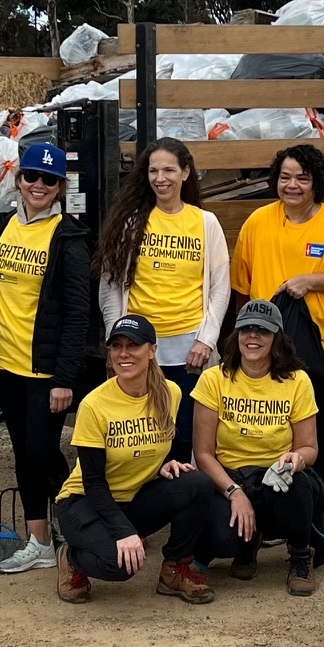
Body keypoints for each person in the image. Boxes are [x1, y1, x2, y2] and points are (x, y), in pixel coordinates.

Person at [229, 144, 324, 553]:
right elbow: (242, 288)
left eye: (302, 178)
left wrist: (312, 280)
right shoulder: (259, 223)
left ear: (316, 183)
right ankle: (291, 513)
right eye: (285, 177)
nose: (292, 185)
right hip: (283, 354)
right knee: (287, 435)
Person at [54, 315, 220, 606]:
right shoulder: (94, 405)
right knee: (120, 565)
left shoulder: (171, 393)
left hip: (133, 498)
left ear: (152, 350)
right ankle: (72, 558)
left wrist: (162, 463)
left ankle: (174, 571)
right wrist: (125, 532)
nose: (124, 353)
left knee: (197, 484)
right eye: (116, 346)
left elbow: (149, 442)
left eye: (133, 345)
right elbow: (93, 483)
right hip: (84, 502)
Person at [0, 143, 93, 576]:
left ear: (61, 187)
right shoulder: (3, 229)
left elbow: (77, 313)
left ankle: (71, 520)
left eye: (49, 180)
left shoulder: (68, 238)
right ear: (18, 180)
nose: (38, 186)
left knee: (41, 449)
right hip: (7, 364)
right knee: (25, 452)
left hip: (46, 370)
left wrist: (65, 377)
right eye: (31, 177)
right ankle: (42, 538)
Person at [95, 138, 229, 461]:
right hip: (143, 351)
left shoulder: (205, 223)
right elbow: (110, 285)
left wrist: (207, 340)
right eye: (153, 170)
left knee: (186, 439)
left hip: (190, 352)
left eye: (169, 169)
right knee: (146, 440)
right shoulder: (132, 223)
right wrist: (120, 341)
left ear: (186, 173)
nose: (160, 178)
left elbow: (220, 287)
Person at [191, 300, 324, 595]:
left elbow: (309, 447)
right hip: (231, 478)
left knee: (295, 483)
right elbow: (202, 453)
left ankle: (301, 557)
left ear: (276, 337)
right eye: (246, 329)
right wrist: (233, 492)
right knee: (220, 538)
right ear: (236, 335)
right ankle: (246, 546)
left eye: (262, 330)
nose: (253, 336)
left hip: (275, 477)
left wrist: (296, 459)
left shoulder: (297, 381)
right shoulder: (214, 378)